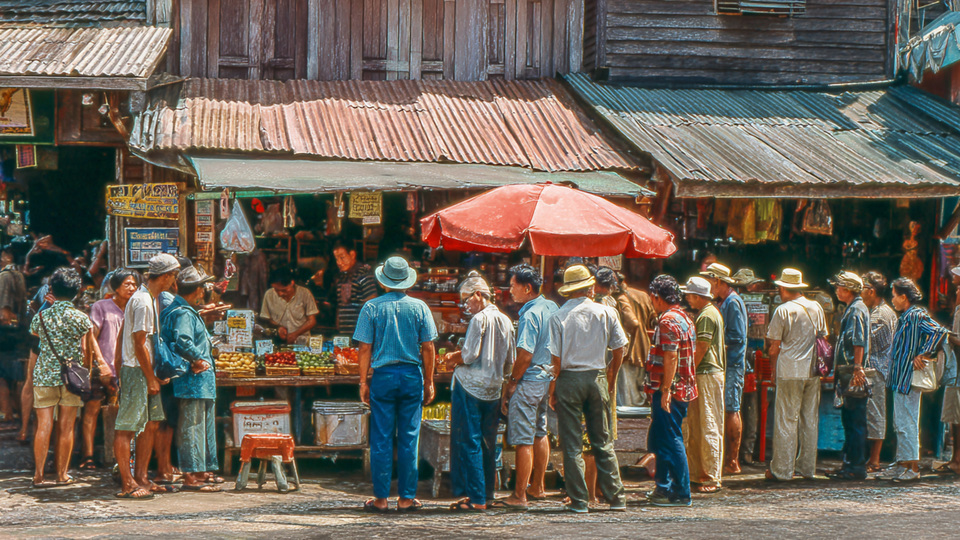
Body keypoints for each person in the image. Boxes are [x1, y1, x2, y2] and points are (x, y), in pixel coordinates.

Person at [354, 256, 437, 513]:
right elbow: (428, 347)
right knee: (409, 438)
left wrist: (362, 381)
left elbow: (364, 348)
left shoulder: (371, 308)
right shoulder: (420, 307)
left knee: (381, 438)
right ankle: (406, 498)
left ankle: (380, 499)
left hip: (383, 377)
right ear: (407, 281)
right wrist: (430, 382)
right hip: (412, 376)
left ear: (384, 281)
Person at [547, 264, 628, 513]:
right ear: (590, 287)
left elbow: (556, 362)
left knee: (572, 445)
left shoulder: (559, 316)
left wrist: (552, 390)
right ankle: (617, 498)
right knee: (602, 441)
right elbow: (620, 348)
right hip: (597, 378)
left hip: (569, 380)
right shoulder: (606, 312)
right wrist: (611, 376)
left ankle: (580, 501)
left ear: (569, 290)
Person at [28, 267, 111, 487]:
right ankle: (62, 474)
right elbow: (86, 350)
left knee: (43, 425)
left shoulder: (41, 317)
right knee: (67, 426)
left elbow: (35, 333)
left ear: (52, 289)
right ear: (77, 292)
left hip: (44, 375)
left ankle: (38, 475)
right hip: (72, 378)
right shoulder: (81, 318)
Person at [442, 271, 515, 511]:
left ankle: (476, 499)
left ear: (477, 295)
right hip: (493, 389)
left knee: (470, 441)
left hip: (470, 387)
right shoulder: (505, 319)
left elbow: (469, 355)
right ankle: (487, 495)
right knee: (488, 443)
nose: (465, 305)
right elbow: (510, 362)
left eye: (465, 300)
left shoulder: (479, 319)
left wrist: (452, 358)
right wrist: (504, 387)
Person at [114, 254, 180, 499]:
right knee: (127, 428)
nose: (174, 281)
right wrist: (150, 376)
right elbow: (139, 342)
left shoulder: (149, 299)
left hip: (144, 369)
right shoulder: (142, 300)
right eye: (173, 275)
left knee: (150, 424)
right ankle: (127, 482)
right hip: (137, 371)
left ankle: (141, 476)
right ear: (165, 276)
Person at [499, 264, 558, 508]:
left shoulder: (529, 313)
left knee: (524, 438)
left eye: (513, 286)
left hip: (530, 379)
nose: (510, 290)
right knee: (540, 432)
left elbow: (524, 354)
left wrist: (511, 383)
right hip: (547, 379)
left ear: (527, 287)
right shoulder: (552, 306)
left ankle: (520, 495)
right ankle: (538, 486)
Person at [881, 277, 947, 482]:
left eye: (894, 296)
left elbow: (939, 331)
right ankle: (902, 463)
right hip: (900, 378)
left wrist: (924, 354)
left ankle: (913, 468)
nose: (892, 300)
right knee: (900, 422)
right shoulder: (906, 317)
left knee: (908, 422)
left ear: (903, 297)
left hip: (907, 378)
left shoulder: (916, 315)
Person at [161, 266, 220, 492]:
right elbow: (182, 341)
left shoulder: (183, 309)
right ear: (198, 290)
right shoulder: (183, 312)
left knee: (198, 425)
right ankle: (190, 475)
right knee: (192, 427)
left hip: (198, 381)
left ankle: (200, 470)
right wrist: (197, 359)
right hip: (192, 380)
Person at [765, 268, 826, 482]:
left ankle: (782, 469)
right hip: (812, 370)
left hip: (790, 370)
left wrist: (773, 370)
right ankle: (807, 467)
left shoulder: (783, 310)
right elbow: (823, 336)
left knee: (786, 419)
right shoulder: (816, 306)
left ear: (783, 288)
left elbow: (774, 347)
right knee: (810, 419)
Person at [645, 274, 697, 507]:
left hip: (671, 390)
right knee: (663, 438)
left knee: (671, 438)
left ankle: (681, 492)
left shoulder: (667, 321)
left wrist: (665, 390)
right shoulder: (686, 318)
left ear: (657, 297)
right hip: (682, 387)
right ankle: (664, 488)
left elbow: (671, 355)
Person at [81, 269, 139, 470]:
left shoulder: (136, 308)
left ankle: (121, 458)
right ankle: (88, 456)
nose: (131, 288)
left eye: (134, 284)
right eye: (127, 284)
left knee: (124, 414)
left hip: (127, 370)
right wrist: (101, 363)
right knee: (92, 409)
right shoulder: (101, 307)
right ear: (115, 287)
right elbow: (91, 337)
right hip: (103, 368)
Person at [701, 263, 747, 475]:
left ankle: (733, 460)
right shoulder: (726, 302)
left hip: (733, 364)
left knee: (731, 408)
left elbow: (736, 336)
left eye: (710, 281)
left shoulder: (733, 303)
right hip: (727, 363)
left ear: (718, 281)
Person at [681, 276, 725, 493]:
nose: (687, 299)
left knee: (708, 424)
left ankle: (710, 477)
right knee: (700, 424)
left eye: (689, 295)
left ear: (697, 296)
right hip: (706, 373)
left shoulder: (706, 315)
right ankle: (701, 474)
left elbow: (702, 347)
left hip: (706, 373)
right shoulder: (710, 312)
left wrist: (688, 371)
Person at [828, 271, 870, 481]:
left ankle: (856, 466)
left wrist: (857, 368)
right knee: (851, 419)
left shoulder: (855, 311)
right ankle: (850, 464)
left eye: (839, 287)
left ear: (847, 289)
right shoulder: (854, 308)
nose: (836, 290)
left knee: (854, 421)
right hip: (850, 371)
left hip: (852, 373)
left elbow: (858, 341)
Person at [860, 271, 897, 473]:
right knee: (872, 412)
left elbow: (869, 343)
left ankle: (874, 459)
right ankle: (870, 458)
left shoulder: (880, 315)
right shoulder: (878, 311)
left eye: (863, 288)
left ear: (871, 291)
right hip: (876, 368)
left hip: (876, 369)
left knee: (875, 414)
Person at [613, 273, 657, 408]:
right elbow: (654, 319)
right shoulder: (642, 295)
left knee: (629, 397)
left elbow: (633, 323)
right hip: (644, 347)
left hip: (629, 350)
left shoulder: (620, 298)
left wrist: (624, 337)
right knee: (639, 388)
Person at [0, 244, 27, 425]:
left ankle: (7, 413)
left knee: (2, 375)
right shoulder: (19, 276)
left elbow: (4, 309)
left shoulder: (4, 277)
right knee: (18, 376)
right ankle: (18, 412)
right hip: (19, 332)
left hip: (5, 333)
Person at [260, 266, 319, 344]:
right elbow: (266, 318)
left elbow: (312, 321)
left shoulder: (305, 293)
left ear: (292, 282)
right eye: (276, 290)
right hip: (277, 341)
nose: (280, 294)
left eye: (283, 290)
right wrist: (278, 328)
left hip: (301, 342)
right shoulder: (269, 294)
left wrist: (295, 334)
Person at [332, 242, 378, 337]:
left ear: (352, 254)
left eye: (342, 257)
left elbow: (371, 303)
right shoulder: (341, 277)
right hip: (345, 333)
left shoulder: (363, 274)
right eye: (336, 259)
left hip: (361, 334)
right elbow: (340, 305)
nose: (339, 262)